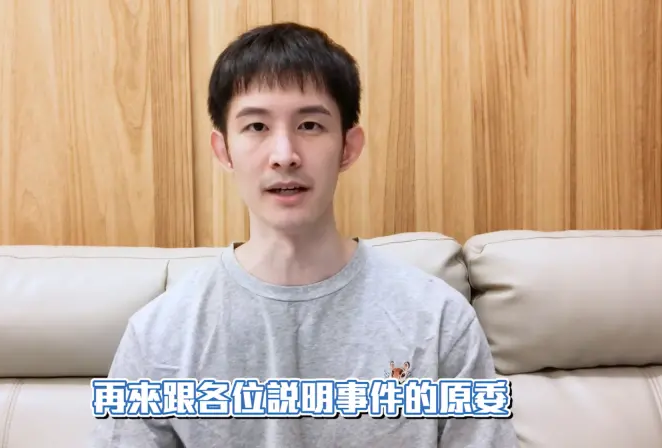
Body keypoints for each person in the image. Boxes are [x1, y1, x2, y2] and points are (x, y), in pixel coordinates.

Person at [90, 22, 518, 448]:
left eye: (310, 125)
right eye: (256, 127)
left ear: (348, 147)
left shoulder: (439, 321)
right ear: (223, 151)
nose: (284, 156)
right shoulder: (158, 335)